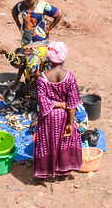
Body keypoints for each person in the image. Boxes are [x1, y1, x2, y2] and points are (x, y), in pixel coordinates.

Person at [32, 41, 83, 181]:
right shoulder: (70, 77)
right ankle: (64, 172)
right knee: (65, 142)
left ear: (49, 59)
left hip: (48, 116)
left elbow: (42, 102)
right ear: (63, 59)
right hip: (64, 116)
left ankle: (43, 173)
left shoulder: (42, 78)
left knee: (46, 143)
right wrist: (70, 123)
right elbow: (72, 103)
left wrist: (57, 104)